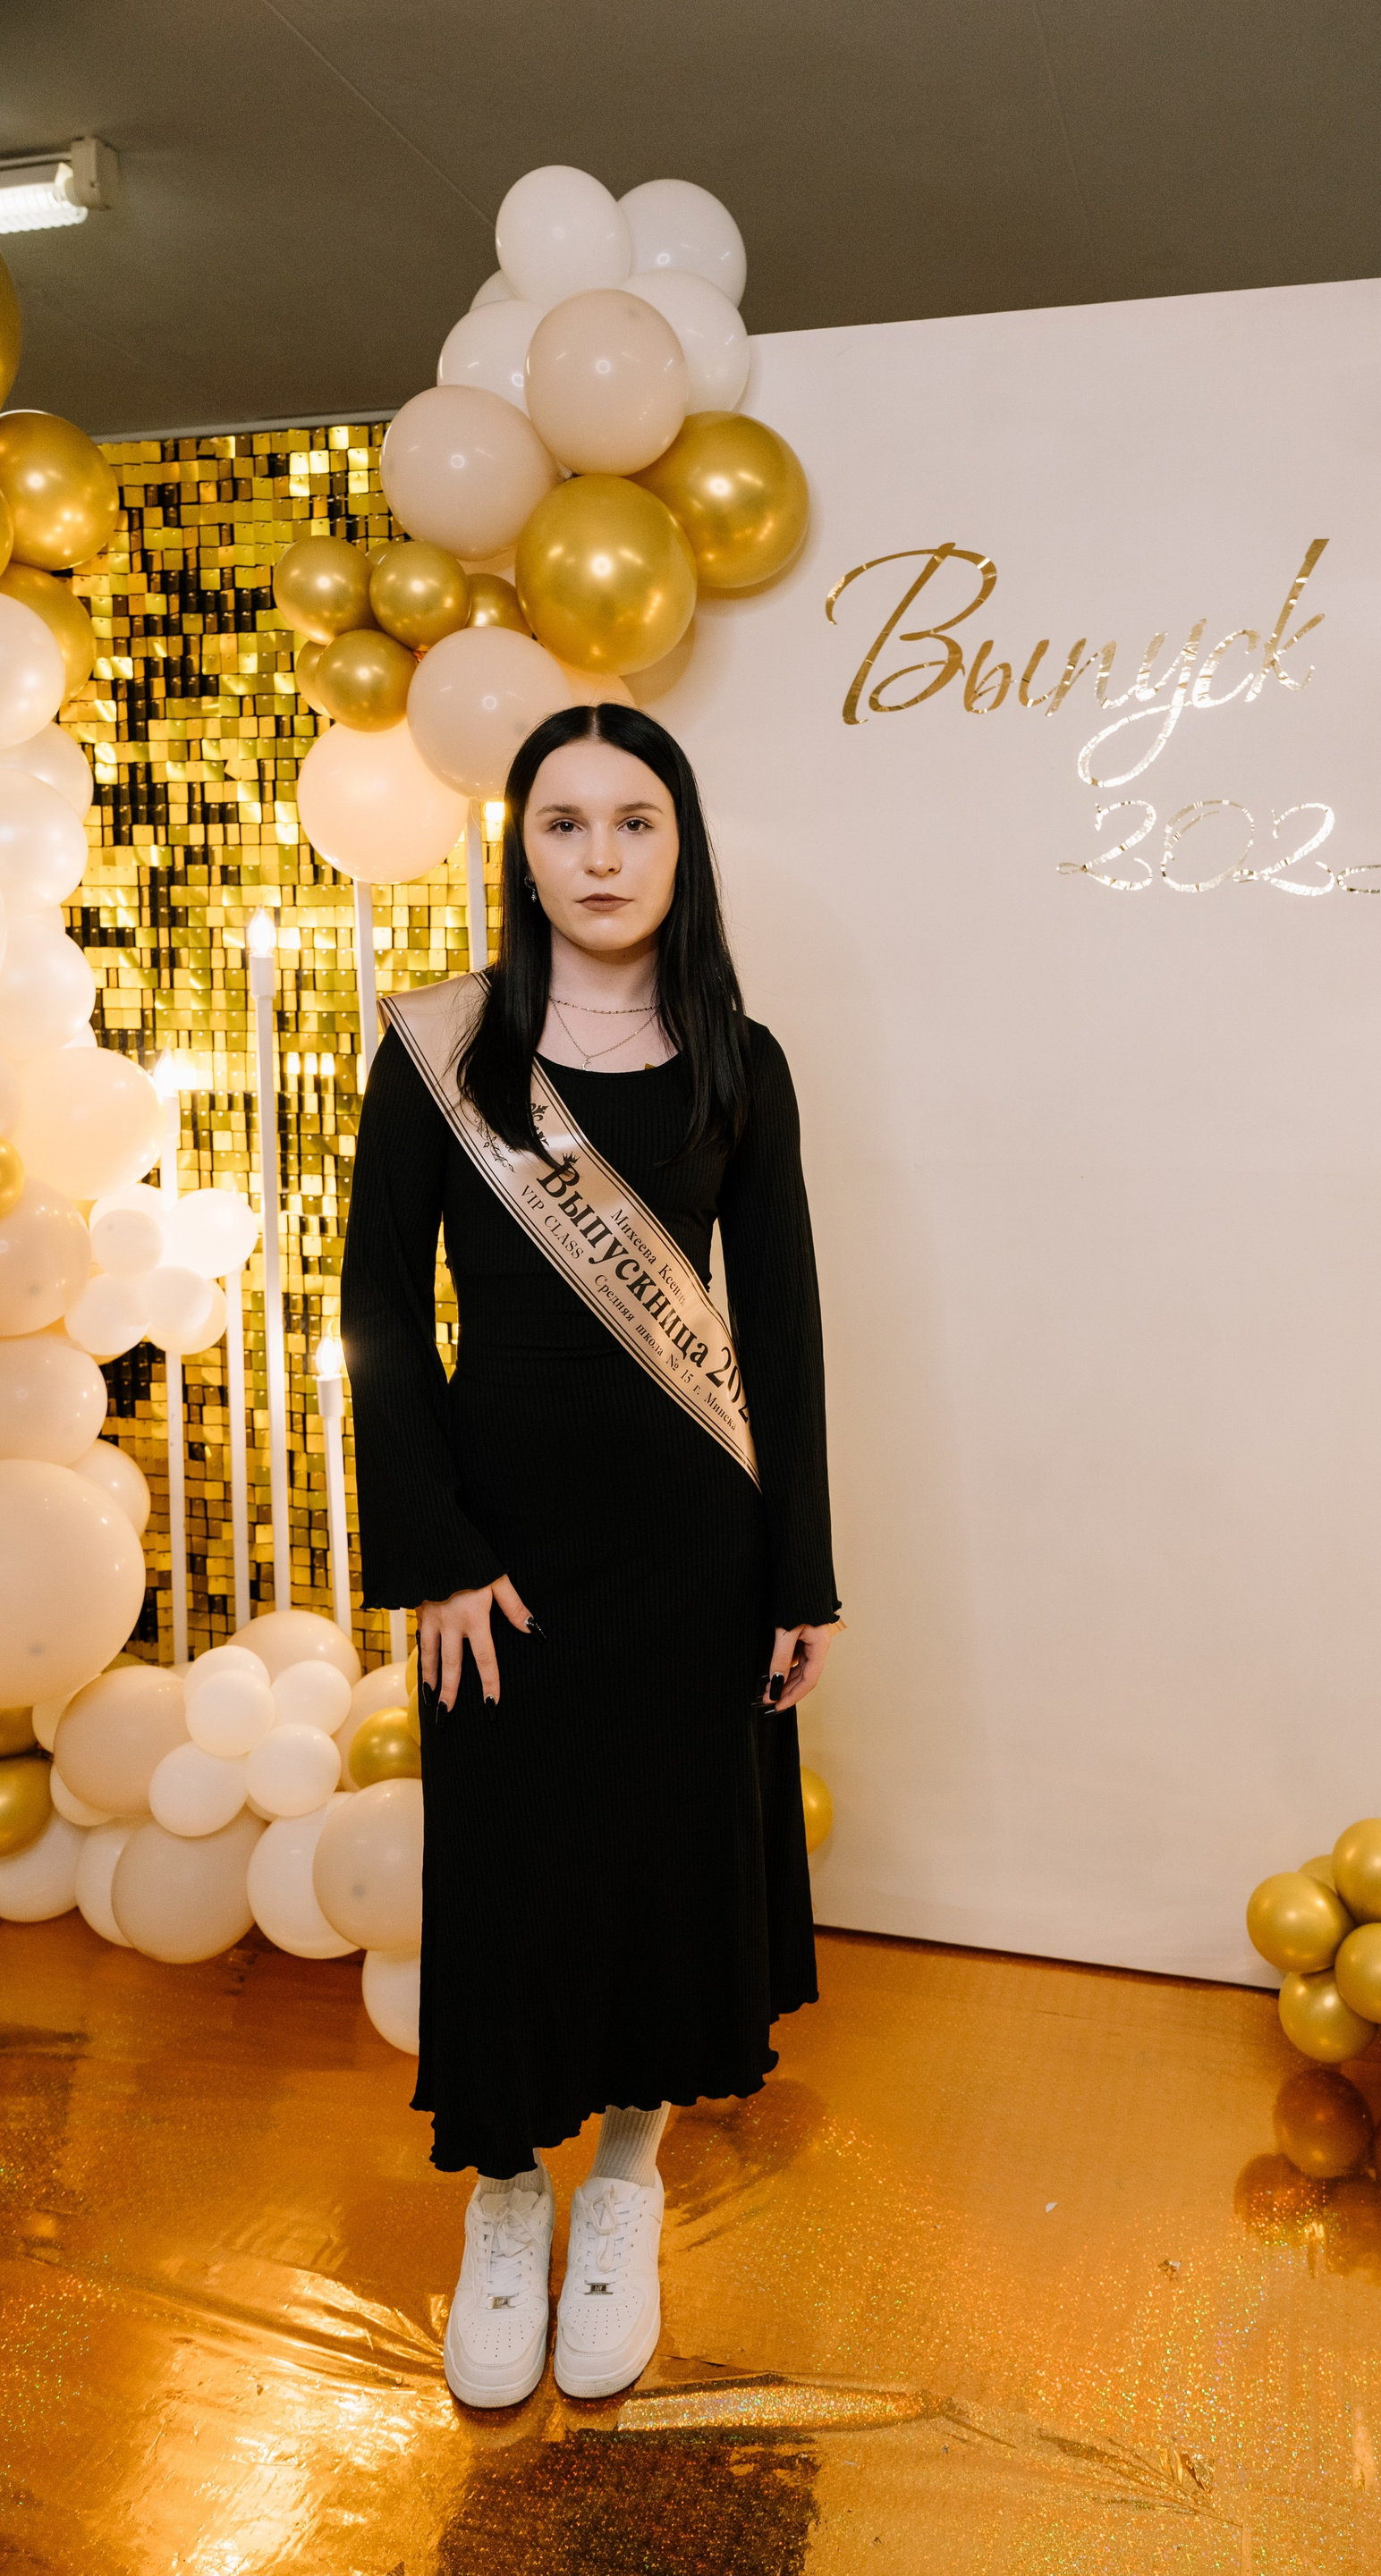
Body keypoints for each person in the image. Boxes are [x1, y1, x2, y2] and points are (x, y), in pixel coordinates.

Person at [340, 700, 842, 2408]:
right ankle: (503, 2196)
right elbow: (378, 1309)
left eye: (637, 822)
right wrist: (434, 1550)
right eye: (566, 823)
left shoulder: (738, 1058)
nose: (603, 856)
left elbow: (783, 1326)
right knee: (509, 1865)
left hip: (696, 1545)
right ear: (523, 849)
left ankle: (623, 2182)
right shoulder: (443, 1052)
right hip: (502, 1552)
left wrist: (800, 1572)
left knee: (661, 1863)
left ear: (681, 845)